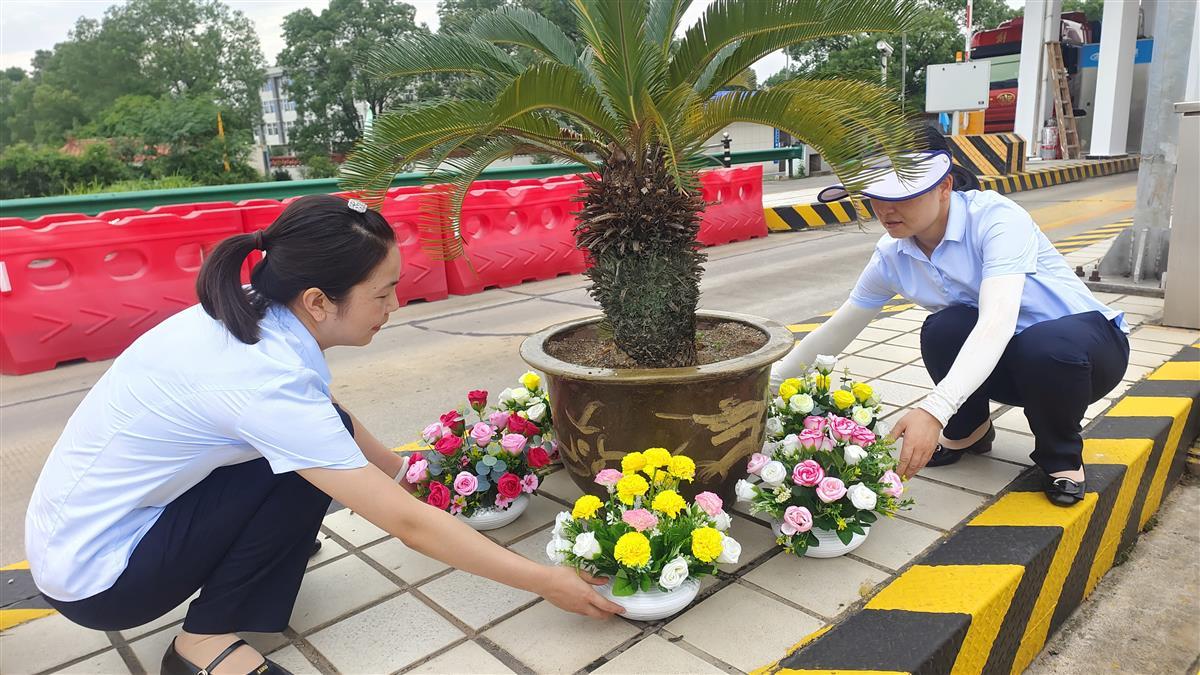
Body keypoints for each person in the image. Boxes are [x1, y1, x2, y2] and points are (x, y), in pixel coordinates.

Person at [25, 195, 622, 675]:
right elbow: (407, 527)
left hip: (87, 530)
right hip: (102, 577)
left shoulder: (255, 308)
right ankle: (200, 648)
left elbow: (321, 411)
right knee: (304, 476)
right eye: (383, 292)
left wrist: (410, 476)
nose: (395, 303)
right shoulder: (262, 376)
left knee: (317, 451)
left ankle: (253, 557)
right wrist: (549, 582)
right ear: (318, 300)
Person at [771, 129, 1129, 506]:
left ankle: (1061, 459)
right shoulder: (892, 254)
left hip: (1086, 354)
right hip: (1014, 363)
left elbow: (998, 321)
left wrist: (934, 409)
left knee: (1043, 345)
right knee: (944, 328)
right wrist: (770, 385)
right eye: (874, 195)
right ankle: (969, 430)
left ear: (944, 186)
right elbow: (838, 329)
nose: (885, 209)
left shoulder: (995, 219)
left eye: (901, 195)